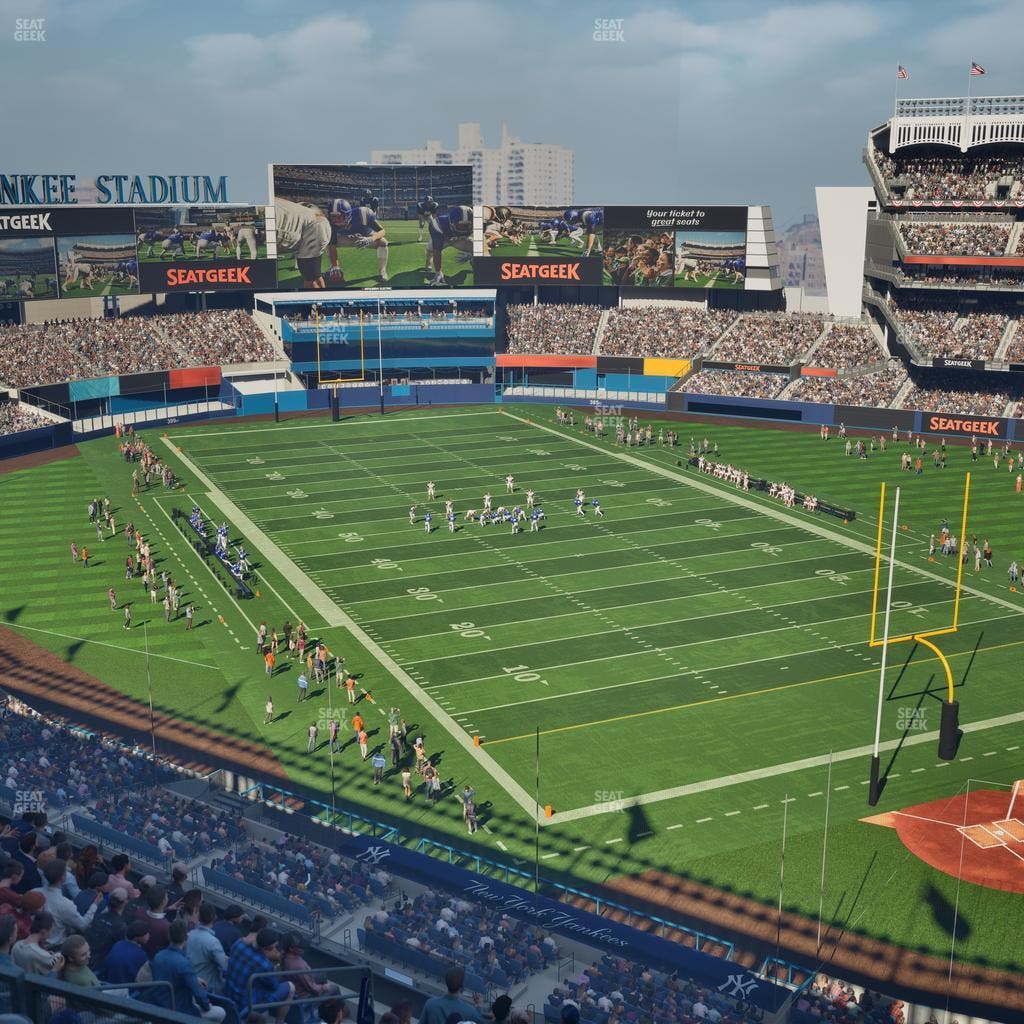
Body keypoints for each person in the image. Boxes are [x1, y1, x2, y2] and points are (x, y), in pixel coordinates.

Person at [153, 919, 227, 1020]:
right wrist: (207, 1005)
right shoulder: (184, 964)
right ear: (186, 937)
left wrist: (194, 978)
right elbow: (199, 995)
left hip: (158, 1002)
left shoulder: (158, 956)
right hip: (178, 1008)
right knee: (220, 1012)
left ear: (169, 936)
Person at [224, 927, 295, 1022]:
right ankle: (279, 1022)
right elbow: (273, 986)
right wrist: (274, 967)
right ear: (269, 948)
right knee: (291, 987)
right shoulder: (264, 964)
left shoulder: (238, 943)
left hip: (228, 993)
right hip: (246, 1003)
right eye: (275, 946)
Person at [39, 859, 102, 945]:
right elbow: (83, 925)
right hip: (54, 945)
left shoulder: (34, 892)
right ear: (63, 877)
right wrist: (95, 904)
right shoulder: (66, 905)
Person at [419, 964, 487, 1024]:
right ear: (462, 986)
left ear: (446, 982)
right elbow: (481, 1021)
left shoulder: (430, 1003)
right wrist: (478, 1006)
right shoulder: (470, 1011)